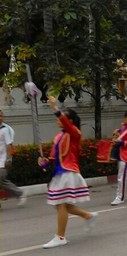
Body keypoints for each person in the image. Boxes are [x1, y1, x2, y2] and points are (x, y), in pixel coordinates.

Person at [39, 97, 97, 248]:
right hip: (59, 173)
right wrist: (43, 162)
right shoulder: (58, 136)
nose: (59, 120)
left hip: (68, 172)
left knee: (60, 204)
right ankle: (87, 216)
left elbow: (65, 123)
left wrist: (55, 108)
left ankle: (60, 237)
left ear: (70, 121)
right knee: (63, 205)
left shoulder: (75, 133)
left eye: (63, 118)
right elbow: (52, 157)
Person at [0, 110, 26, 206]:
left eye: (1, 116)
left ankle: (20, 193)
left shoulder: (5, 130)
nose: (0, 118)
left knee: (1, 179)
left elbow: (9, 145)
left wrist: (8, 159)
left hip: (3, 160)